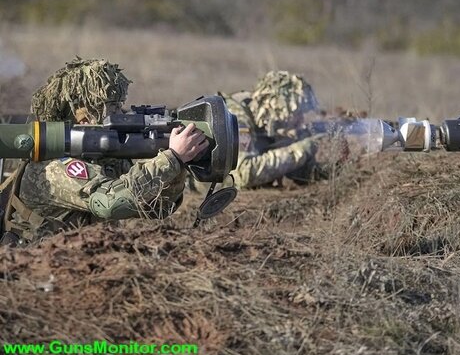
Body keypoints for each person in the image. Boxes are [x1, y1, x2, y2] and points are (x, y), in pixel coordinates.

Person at [0, 58, 208, 244]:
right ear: (83, 117)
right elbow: (111, 203)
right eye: (113, 108)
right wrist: (171, 158)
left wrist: (176, 164)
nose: (122, 114)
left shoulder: (103, 160)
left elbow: (158, 208)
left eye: (120, 106)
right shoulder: (55, 167)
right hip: (36, 268)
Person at [219, 70, 341, 189]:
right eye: (297, 112)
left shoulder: (266, 121)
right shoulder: (235, 118)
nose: (300, 119)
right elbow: (245, 173)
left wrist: (335, 170)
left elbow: (296, 172)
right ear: (279, 109)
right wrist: (302, 149)